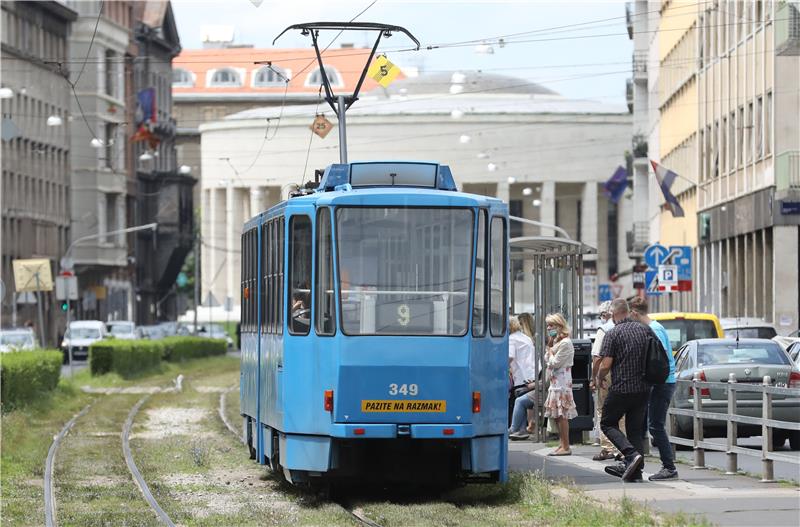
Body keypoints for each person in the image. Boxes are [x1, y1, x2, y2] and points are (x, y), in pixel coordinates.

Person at [596, 298, 650, 482]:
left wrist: (599, 377)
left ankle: (630, 455)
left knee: (607, 422)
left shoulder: (613, 333)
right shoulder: (645, 330)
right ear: (628, 311)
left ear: (613, 314)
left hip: (622, 387)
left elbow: (606, 364)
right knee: (634, 429)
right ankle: (636, 472)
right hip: (643, 388)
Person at [629, 297, 679, 481]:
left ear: (635, 312)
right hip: (662, 381)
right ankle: (640, 462)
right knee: (652, 425)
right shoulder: (655, 327)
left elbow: (658, 359)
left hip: (662, 382)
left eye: (630, 315)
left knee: (656, 426)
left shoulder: (654, 329)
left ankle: (669, 467)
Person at [590, 301, 625, 461]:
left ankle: (607, 447)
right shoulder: (626, 328)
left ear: (607, 314)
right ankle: (622, 448)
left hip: (606, 373)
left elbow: (597, 357)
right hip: (622, 373)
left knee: (602, 410)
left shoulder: (604, 330)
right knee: (621, 412)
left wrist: (595, 377)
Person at [543, 313, 577, 456]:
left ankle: (566, 445)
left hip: (562, 383)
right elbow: (547, 358)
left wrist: (550, 353)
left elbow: (554, 362)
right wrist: (550, 351)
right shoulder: (556, 342)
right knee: (557, 415)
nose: (549, 328)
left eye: (551, 325)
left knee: (562, 415)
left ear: (559, 326)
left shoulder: (565, 343)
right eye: (548, 325)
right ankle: (562, 444)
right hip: (556, 382)